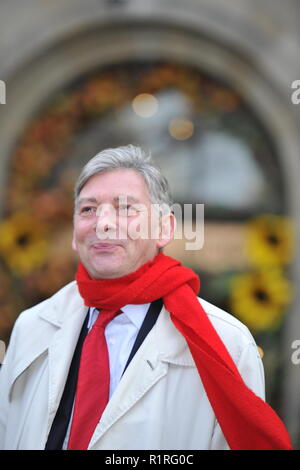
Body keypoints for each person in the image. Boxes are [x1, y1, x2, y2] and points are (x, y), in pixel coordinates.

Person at [0, 145, 292, 450]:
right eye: (88, 209)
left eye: (125, 207)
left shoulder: (229, 344)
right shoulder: (31, 327)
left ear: (164, 229)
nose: (103, 223)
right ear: (75, 233)